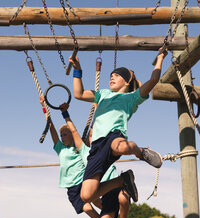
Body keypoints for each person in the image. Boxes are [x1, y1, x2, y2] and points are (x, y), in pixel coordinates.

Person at [70, 49, 168, 205]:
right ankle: (123, 180)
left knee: (122, 147)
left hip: (113, 137)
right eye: (111, 76)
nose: (112, 77)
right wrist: (77, 69)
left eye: (117, 75)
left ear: (127, 82)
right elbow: (79, 93)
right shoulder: (102, 94)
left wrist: (161, 58)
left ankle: (141, 152)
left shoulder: (131, 98)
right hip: (96, 147)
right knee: (86, 196)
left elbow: (153, 80)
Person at [39, 96, 136, 218]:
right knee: (95, 216)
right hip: (75, 189)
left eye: (66, 134)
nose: (63, 137)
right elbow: (51, 128)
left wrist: (95, 105)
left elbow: (85, 132)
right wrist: (45, 107)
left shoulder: (83, 150)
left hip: (89, 184)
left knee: (104, 200)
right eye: (62, 135)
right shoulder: (63, 149)